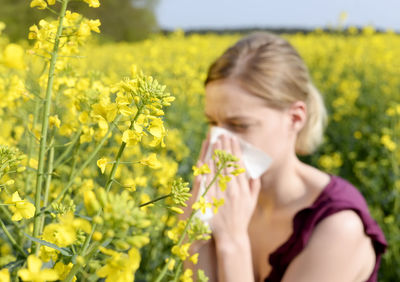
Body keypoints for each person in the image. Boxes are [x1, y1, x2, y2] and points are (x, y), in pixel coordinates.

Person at [181, 31, 387, 282]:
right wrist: (196, 233)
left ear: (295, 118)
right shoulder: (227, 201)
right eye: (212, 122)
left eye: (240, 125)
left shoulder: (336, 226)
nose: (220, 141)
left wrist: (232, 242)